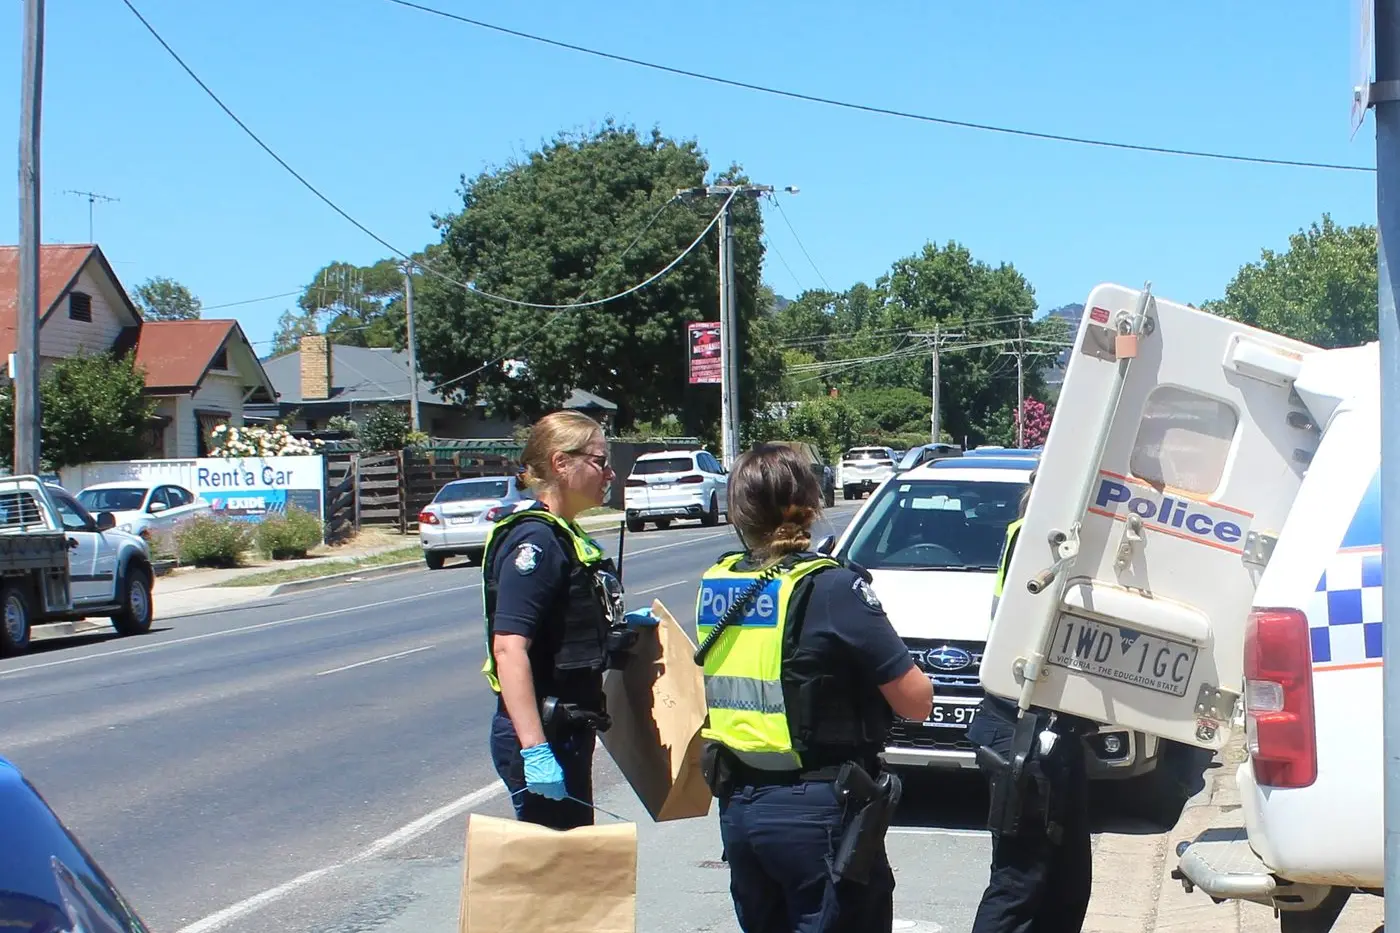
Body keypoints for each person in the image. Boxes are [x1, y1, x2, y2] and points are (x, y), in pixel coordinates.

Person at [695, 443, 934, 932]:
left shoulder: (718, 582)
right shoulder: (831, 589)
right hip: (815, 810)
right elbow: (917, 702)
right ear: (811, 501)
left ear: (739, 509)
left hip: (740, 805)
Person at [483, 410, 654, 830]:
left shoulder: (565, 534)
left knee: (571, 874)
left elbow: (564, 625)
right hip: (544, 732)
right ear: (561, 463)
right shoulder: (536, 541)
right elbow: (508, 648)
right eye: (599, 461)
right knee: (559, 881)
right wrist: (535, 750)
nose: (610, 473)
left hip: (568, 728)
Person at [969, 471, 1096, 933]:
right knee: (1021, 883)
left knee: (1065, 884)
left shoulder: (1040, 537)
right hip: (1023, 726)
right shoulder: (1042, 540)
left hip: (1043, 728)